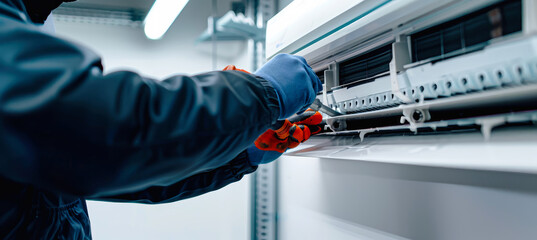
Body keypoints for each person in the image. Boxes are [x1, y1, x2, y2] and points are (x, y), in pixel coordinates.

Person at [0, 0, 322, 239]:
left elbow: (107, 166)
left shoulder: (25, 23)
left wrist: (238, 150)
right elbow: (107, 132)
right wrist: (260, 95)